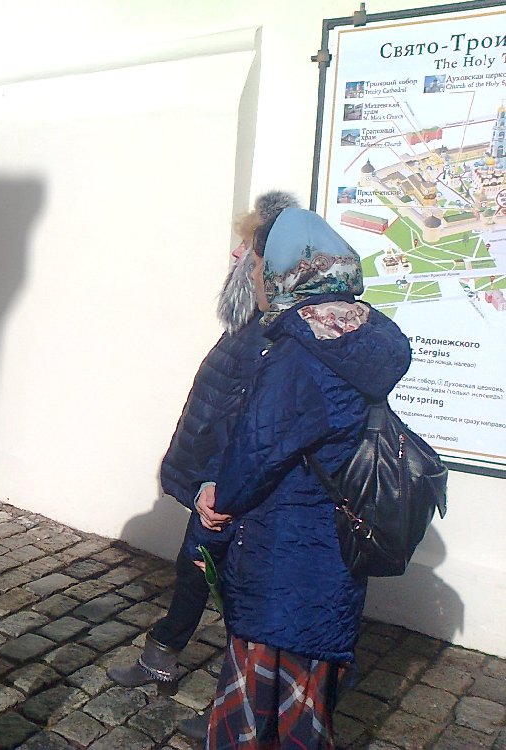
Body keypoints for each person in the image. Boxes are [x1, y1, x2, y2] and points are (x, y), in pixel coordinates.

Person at [187, 207, 411, 748]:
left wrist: (215, 504)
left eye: (258, 266)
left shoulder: (298, 355)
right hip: (331, 556)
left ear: (285, 274)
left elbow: (255, 453)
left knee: (256, 720)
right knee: (307, 710)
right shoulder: (361, 336)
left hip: (283, 559)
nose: (252, 276)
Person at [107, 192, 298, 738]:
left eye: (249, 246)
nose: (237, 253)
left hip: (233, 490)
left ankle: (235, 708)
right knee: (193, 570)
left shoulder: (270, 331)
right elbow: (217, 409)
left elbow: (245, 422)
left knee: (237, 596)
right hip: (215, 485)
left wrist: (218, 485)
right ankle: (161, 657)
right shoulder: (249, 322)